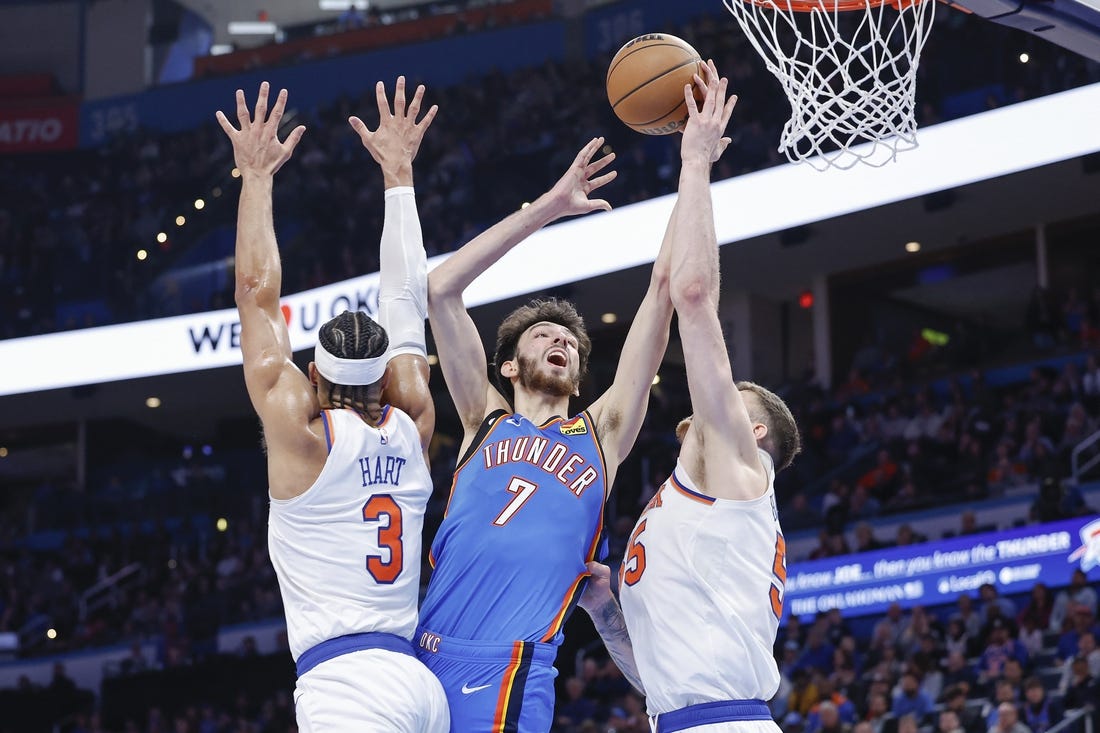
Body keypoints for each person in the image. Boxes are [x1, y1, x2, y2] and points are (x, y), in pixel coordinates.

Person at [414, 90, 672, 732]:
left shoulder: (601, 434)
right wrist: (549, 208)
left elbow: (663, 294)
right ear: (507, 365)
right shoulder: (483, 419)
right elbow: (441, 289)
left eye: (570, 344)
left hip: (508, 667)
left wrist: (691, 167)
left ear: (581, 377)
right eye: (543, 335)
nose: (559, 341)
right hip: (418, 657)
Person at [216, 79, 448, 730]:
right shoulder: (413, 420)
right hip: (416, 677)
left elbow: (256, 291)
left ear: (312, 374)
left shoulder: (302, 435)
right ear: (387, 376)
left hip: (346, 684)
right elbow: (405, 299)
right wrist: (398, 175)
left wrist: (255, 175)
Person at [578, 62, 802, 732]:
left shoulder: (739, 467)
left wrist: (697, 159)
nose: (719, 398)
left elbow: (693, 296)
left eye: (736, 398)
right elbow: (658, 676)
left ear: (753, 431)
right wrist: (607, 611)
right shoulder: (694, 497)